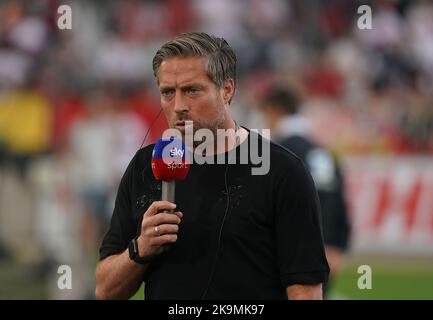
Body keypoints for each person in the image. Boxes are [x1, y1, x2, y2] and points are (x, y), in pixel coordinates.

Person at [95, 32, 329, 300]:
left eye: (192, 90)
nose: (179, 106)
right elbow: (105, 290)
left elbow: (305, 291)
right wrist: (140, 249)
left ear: (227, 90)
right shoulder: (143, 167)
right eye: (168, 92)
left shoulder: (283, 171)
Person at [260, 87, 351, 297]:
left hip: (293, 252)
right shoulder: (322, 150)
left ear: (274, 111)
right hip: (327, 249)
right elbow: (336, 200)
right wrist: (336, 244)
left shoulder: (278, 151)